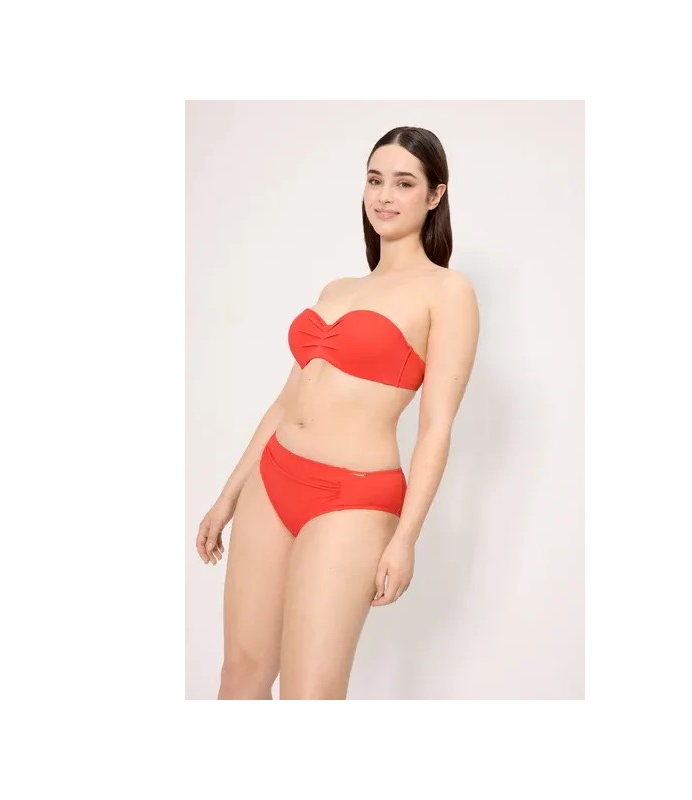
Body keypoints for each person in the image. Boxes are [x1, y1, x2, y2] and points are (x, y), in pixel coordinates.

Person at [195, 126, 480, 699]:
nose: (385, 196)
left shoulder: (447, 291)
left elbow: (435, 427)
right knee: (240, 675)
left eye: (404, 183)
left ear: (435, 195)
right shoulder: (337, 288)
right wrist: (229, 493)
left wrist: (406, 538)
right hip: (273, 480)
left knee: (311, 694)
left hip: (353, 498)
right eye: (375, 180)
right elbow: (287, 402)